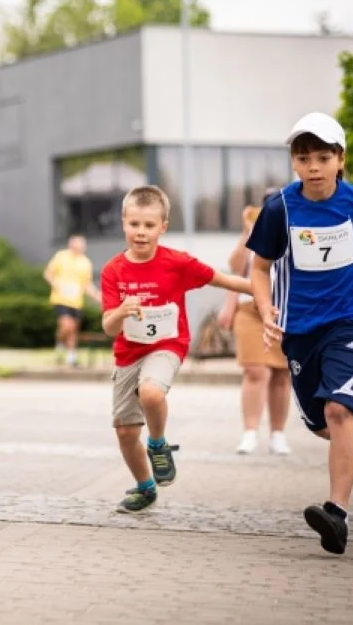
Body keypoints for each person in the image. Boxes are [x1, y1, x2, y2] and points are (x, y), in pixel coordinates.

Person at [247, 112, 353, 555]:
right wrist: (265, 307)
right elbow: (259, 268)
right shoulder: (280, 207)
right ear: (293, 163)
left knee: (337, 409)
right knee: (322, 423)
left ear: (340, 159)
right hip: (298, 329)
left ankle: (336, 514)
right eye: (303, 158)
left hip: (348, 322)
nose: (313, 166)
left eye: (322, 157)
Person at [103, 185, 252, 513]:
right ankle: (145, 488)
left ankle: (157, 443)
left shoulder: (177, 263)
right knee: (126, 432)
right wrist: (121, 311)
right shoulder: (113, 270)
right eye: (135, 225)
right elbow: (108, 326)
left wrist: (265, 292)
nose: (141, 233)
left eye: (149, 226)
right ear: (124, 222)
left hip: (167, 345)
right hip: (128, 353)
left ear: (163, 227)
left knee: (152, 393)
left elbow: (225, 280)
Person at [218, 204, 290, 456]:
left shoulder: (290, 233)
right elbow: (235, 267)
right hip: (248, 308)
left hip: (281, 308)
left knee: (282, 373)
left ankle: (278, 434)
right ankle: (250, 432)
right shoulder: (253, 237)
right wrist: (248, 232)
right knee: (254, 369)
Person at [44, 235, 101, 367]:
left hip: (76, 300)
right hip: (61, 299)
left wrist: (98, 297)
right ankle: (60, 343)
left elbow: (87, 284)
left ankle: (71, 356)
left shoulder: (85, 262)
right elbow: (48, 274)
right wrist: (56, 285)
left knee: (74, 329)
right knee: (66, 325)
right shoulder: (61, 256)